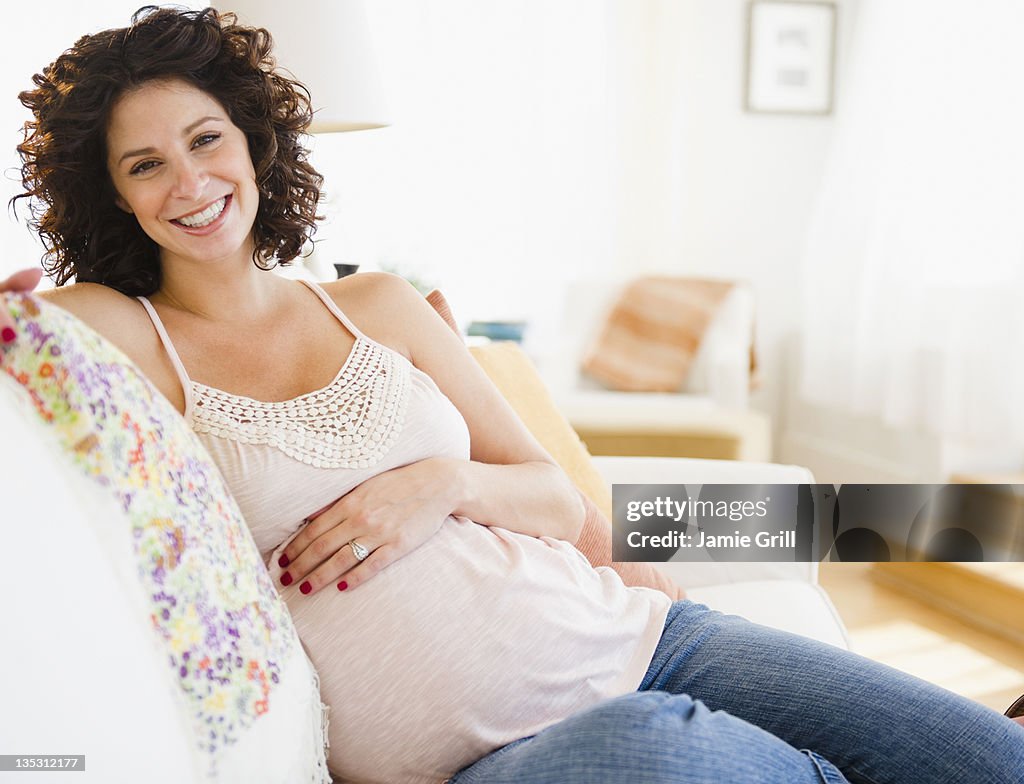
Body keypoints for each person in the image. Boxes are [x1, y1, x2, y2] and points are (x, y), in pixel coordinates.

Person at [5, 7, 1022, 783]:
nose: (188, 182)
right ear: (116, 197)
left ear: (254, 142)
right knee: (654, 753)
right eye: (145, 164)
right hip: (498, 754)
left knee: (985, 755)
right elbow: (24, 338)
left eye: (205, 139)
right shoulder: (130, 332)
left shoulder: (379, 304)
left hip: (643, 639)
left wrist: (439, 484)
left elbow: (553, 498)